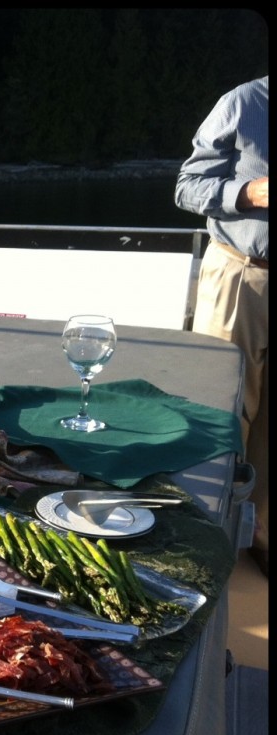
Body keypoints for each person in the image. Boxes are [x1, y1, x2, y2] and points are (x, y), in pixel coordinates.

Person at [175, 75, 268, 577]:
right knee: (222, 414)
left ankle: (260, 535)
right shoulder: (246, 101)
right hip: (241, 274)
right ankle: (201, 533)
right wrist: (248, 192)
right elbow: (187, 186)